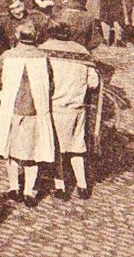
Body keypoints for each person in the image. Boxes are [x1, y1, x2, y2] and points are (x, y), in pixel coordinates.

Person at [0, 21, 55, 206]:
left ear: (17, 37)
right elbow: (51, 85)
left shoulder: (7, 56)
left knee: (11, 151)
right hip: (35, 111)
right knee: (32, 152)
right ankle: (29, 191)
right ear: (35, 37)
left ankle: (14, 188)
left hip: (12, 109)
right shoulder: (43, 57)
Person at [39, 23, 99, 199]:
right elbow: (93, 83)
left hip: (53, 107)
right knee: (76, 147)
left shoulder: (43, 50)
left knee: (56, 148)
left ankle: (60, 186)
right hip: (76, 108)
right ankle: (82, 185)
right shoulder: (82, 51)